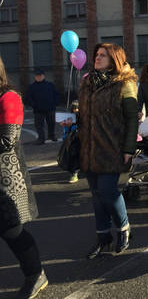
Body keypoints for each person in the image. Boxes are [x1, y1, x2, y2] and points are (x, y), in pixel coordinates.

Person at [79, 43, 139, 259]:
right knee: (96, 196)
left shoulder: (125, 83)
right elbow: (84, 115)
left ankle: (124, 228)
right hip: (88, 147)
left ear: (114, 58)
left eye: (103, 55)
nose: (97, 57)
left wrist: (129, 148)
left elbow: (133, 117)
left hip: (112, 146)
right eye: (96, 54)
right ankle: (102, 237)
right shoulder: (87, 82)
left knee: (107, 190)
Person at [0, 55, 49, 298]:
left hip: (6, 180)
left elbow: (7, 141)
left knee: (12, 232)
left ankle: (35, 275)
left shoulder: (9, 97)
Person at [24, 69, 60, 145]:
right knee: (39, 125)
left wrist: (55, 104)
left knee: (51, 123)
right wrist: (33, 105)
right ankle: (41, 138)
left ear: (44, 76)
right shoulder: (32, 87)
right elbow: (28, 98)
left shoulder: (50, 85)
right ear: (35, 77)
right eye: (37, 76)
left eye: (40, 76)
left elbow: (56, 94)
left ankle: (52, 136)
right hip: (38, 110)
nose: (39, 77)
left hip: (50, 108)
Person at [60, 100, 80, 183]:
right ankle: (74, 173)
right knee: (73, 157)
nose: (76, 110)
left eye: (77, 108)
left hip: (82, 139)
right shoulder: (69, 118)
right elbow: (66, 131)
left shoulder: (84, 117)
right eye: (74, 109)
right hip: (72, 141)